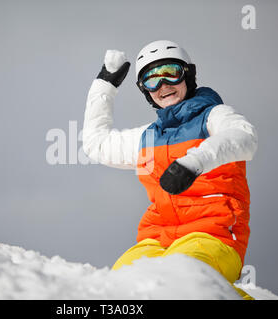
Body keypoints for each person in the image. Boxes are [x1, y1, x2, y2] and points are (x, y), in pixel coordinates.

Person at [82, 40, 258, 299]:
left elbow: (244, 138)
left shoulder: (214, 117)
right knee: (119, 287)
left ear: (187, 75)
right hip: (157, 238)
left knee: (181, 285)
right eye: (151, 79)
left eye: (170, 73)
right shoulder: (147, 137)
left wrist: (194, 162)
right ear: (145, 91)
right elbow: (97, 145)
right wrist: (105, 84)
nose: (162, 85)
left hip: (213, 234)